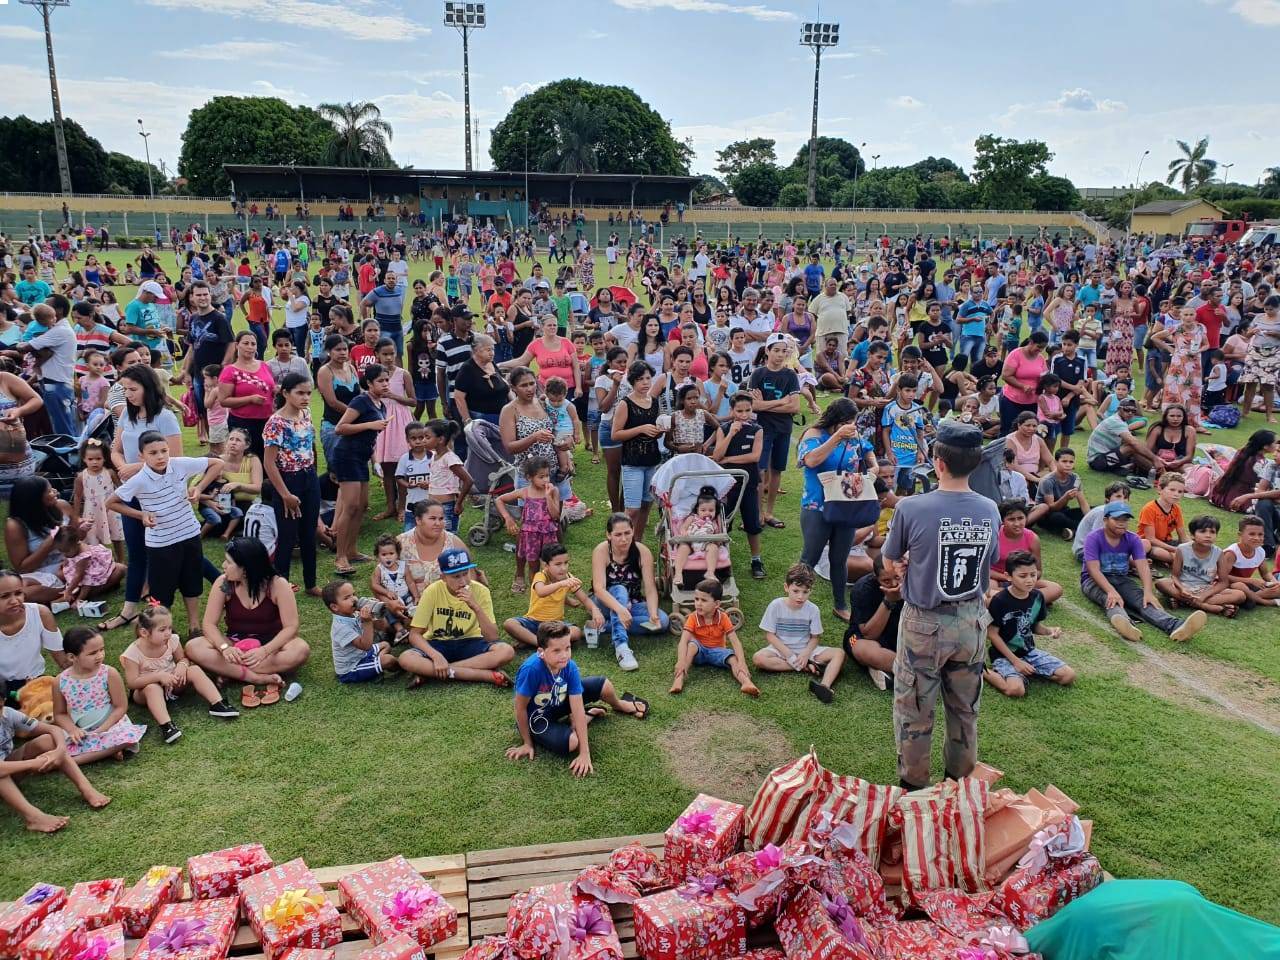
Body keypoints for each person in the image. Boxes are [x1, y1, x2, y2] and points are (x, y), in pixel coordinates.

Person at [882, 420, 999, 790]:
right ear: (976, 462)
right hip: (971, 621)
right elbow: (988, 560)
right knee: (965, 710)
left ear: (939, 462)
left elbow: (890, 560)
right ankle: (957, 789)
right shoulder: (989, 509)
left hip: (924, 622)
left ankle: (914, 790)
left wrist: (903, 565)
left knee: (914, 711)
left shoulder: (911, 507)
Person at [507, 620, 648, 777]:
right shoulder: (531, 670)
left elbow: (577, 706)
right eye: (556, 650)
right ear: (541, 651)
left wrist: (585, 753)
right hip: (537, 716)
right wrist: (527, 743)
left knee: (604, 685)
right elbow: (520, 708)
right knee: (572, 742)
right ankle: (586, 716)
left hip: (559, 701)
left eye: (567, 648)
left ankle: (618, 705)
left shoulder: (569, 665)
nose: (564, 655)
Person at [188, 537, 310, 703]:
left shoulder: (277, 585)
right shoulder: (224, 583)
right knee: (194, 646)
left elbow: (291, 627)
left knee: (300, 649)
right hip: (235, 643)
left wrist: (264, 651)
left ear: (245, 569)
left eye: (229, 562)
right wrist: (225, 648)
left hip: (271, 643)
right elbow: (209, 624)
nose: (223, 565)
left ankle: (229, 671)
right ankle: (255, 677)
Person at [796, 399, 879, 621]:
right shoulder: (814, 434)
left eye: (852, 422)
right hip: (817, 506)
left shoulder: (852, 434)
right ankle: (795, 602)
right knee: (809, 558)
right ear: (834, 419)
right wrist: (837, 437)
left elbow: (867, 449)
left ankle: (840, 604)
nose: (850, 426)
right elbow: (811, 461)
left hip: (846, 505)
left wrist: (874, 466)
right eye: (845, 422)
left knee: (840, 558)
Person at [1080, 500, 1207, 644]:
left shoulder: (1133, 539)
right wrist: (1111, 591)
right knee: (1111, 600)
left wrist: (1148, 591)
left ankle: (1175, 626)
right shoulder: (1094, 538)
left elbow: (1143, 567)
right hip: (1092, 580)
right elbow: (1093, 570)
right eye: (1116, 519)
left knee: (1144, 600)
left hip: (1121, 579)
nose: (1121, 523)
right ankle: (1126, 624)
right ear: (1105, 520)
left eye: (1125, 519)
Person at [120, 604, 239, 745]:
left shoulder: (172, 640)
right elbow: (132, 682)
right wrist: (158, 677)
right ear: (144, 633)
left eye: (169, 628)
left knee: (194, 670)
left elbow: (182, 658)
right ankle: (167, 726)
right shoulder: (133, 653)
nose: (168, 633)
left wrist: (182, 666)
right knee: (152, 688)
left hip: (173, 683)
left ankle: (217, 704)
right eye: (162, 630)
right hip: (145, 692)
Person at [400, 547, 515, 688]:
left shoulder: (481, 591)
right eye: (456, 577)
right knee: (406, 658)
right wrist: (436, 656)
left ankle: (435, 671)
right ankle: (485, 675)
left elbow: (492, 637)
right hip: (438, 643)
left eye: (466, 574)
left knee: (506, 651)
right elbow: (415, 635)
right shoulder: (432, 591)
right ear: (443, 577)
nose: (463, 581)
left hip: (471, 641)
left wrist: (475, 607)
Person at [1, 687, 112, 832]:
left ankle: (86, 788)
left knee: (47, 740)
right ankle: (33, 818)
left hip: (8, 764)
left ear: (3, 701)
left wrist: (59, 750)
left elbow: (53, 729)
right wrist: (33, 763)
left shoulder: (8, 714)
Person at [983, 551, 1075, 699]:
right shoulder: (1000, 600)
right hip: (1004, 655)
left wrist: (1049, 631)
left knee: (1068, 676)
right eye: (1023, 576)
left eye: (1033, 575)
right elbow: (992, 634)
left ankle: (1025, 671)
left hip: (1028, 651)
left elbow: (1034, 627)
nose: (1029, 580)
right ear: (1008, 576)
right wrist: (1016, 662)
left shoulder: (1037, 597)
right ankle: (981, 671)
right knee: (1016, 690)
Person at [262, 373, 321, 594]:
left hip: (309, 476)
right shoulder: (275, 423)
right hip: (287, 480)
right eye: (300, 393)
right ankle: (281, 587)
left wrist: (313, 473)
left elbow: (310, 447)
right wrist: (285, 494)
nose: (305, 397)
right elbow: (269, 463)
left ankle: (311, 583)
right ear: (286, 393)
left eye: (308, 393)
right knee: (287, 536)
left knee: (309, 533)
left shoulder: (306, 414)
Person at [752, 562, 845, 703]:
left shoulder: (813, 609)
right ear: (786, 587)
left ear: (810, 591)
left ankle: (824, 686)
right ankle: (805, 667)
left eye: (805, 592)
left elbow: (815, 638)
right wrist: (789, 655)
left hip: (806, 650)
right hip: (780, 650)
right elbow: (769, 635)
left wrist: (806, 653)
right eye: (796, 591)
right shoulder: (776, 605)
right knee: (758, 659)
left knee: (839, 653)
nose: (800, 596)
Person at [52, 626, 146, 765]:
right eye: (92, 653)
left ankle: (67, 762)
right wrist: (73, 730)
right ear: (72, 657)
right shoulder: (60, 681)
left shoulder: (109, 673)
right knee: (49, 741)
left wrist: (103, 728)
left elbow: (120, 706)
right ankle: (106, 751)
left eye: (102, 649)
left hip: (111, 726)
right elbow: (59, 714)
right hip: (82, 730)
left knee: (125, 738)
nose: (100, 655)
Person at [331, 363, 391, 577]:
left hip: (362, 457)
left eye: (387, 380)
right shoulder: (360, 401)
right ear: (369, 383)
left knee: (362, 505)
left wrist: (375, 462)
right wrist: (369, 425)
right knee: (350, 506)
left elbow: (371, 439)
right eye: (380, 381)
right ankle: (340, 556)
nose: (385, 384)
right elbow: (340, 428)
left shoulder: (381, 405)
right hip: (347, 456)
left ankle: (352, 550)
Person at [590, 513, 669, 672]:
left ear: (633, 531)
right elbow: (599, 589)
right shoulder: (602, 551)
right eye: (618, 534)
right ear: (608, 535)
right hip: (605, 602)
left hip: (633, 603)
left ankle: (604, 626)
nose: (624, 539)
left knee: (663, 621)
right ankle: (621, 647)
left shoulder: (642, 552)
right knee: (620, 589)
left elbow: (650, 588)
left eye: (627, 533)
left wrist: (653, 613)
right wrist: (620, 609)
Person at [670, 578, 759, 697]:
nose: (698, 603)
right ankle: (679, 679)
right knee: (691, 645)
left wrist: (742, 662)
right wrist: (680, 661)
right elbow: (683, 642)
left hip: (718, 652)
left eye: (704, 600)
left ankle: (746, 682)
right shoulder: (693, 617)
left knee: (733, 658)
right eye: (696, 599)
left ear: (716, 604)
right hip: (699, 652)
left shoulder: (723, 618)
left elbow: (735, 642)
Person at [503, 542, 603, 648]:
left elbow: (585, 599)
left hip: (555, 625)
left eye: (566, 563)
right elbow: (541, 592)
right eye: (558, 564)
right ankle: (541, 643)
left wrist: (595, 610)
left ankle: (537, 641)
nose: (563, 568)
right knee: (509, 624)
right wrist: (561, 584)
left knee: (576, 632)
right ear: (546, 565)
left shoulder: (568, 577)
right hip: (534, 622)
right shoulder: (541, 576)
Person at [750, 333, 801, 529]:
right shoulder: (758, 374)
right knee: (759, 470)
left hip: (783, 428)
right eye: (776, 350)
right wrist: (781, 401)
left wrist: (765, 404)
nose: (780, 355)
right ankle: (758, 513)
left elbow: (794, 407)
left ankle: (769, 512)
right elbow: (754, 406)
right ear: (767, 351)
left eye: (784, 351)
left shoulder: (790, 375)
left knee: (777, 470)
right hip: (762, 429)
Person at [1155, 515, 1248, 617]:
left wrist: (1204, 595)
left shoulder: (1218, 553)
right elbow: (1175, 576)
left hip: (1205, 588)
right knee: (1161, 583)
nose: (1208, 535)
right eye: (1203, 531)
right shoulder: (1182, 549)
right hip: (1183, 587)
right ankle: (1208, 607)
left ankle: (1183, 601)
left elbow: (1223, 582)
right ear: (1192, 535)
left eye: (1212, 532)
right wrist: (1182, 589)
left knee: (1240, 595)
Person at [372, 338, 416, 522]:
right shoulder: (374, 375)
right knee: (386, 467)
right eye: (385, 354)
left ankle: (402, 507)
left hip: (400, 421)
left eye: (392, 354)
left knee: (401, 465)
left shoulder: (403, 374)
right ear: (377, 355)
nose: (389, 358)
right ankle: (390, 506)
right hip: (382, 420)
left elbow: (413, 401)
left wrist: (394, 396)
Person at [324, 580, 399, 685]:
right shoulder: (340, 627)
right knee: (388, 660)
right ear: (334, 607)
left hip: (362, 654)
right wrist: (367, 622)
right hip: (351, 668)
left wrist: (375, 609)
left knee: (385, 645)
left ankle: (376, 666)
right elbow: (366, 646)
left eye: (353, 594)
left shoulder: (353, 613)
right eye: (347, 598)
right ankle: (400, 667)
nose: (354, 599)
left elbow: (382, 627)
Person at [216, 331, 276, 460]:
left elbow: (270, 388)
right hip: (243, 422)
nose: (250, 347)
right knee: (247, 459)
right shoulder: (230, 371)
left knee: (266, 457)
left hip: (267, 420)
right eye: (246, 343)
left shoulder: (264, 365)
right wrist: (250, 399)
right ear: (237, 345)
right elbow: (223, 400)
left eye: (253, 344)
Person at [1086, 397, 1163, 476]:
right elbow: (1133, 443)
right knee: (1132, 447)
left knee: (1137, 447)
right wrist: (1155, 459)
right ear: (1119, 409)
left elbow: (1134, 443)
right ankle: (1160, 474)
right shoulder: (1115, 421)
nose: (1130, 413)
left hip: (1106, 457)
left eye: (1133, 411)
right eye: (1126, 409)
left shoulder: (1121, 421)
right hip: (1097, 462)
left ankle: (1154, 470)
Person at [881, 373, 929, 493]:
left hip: (912, 456)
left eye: (914, 391)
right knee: (890, 487)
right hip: (895, 456)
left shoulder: (917, 409)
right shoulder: (890, 408)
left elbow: (920, 432)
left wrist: (920, 452)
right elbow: (886, 432)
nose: (911, 394)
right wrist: (889, 453)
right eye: (907, 390)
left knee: (906, 488)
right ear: (899, 390)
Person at [1027, 448, 1089, 539]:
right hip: (1046, 515)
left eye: (1071, 462)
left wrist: (1090, 516)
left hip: (1064, 510)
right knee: (1057, 517)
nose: (1068, 465)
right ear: (1056, 462)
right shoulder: (1048, 481)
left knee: (1094, 510)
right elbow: (1051, 508)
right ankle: (1084, 529)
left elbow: (1083, 503)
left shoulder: (1075, 478)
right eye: (1064, 461)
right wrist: (1065, 497)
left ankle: (1074, 529)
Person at [0, 363, 43, 496]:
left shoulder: (4, 378)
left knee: (24, 503)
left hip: (18, 460)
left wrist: (18, 411)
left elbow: (36, 399)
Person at [1219, 515, 1280, 606]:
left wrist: (1275, 583)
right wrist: (1250, 581)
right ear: (1240, 535)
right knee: (1239, 586)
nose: (1257, 538)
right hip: (1228, 585)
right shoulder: (1232, 553)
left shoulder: (1260, 551)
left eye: (1260, 534)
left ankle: (1250, 598)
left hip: (1246, 585)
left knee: (1278, 588)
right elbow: (1221, 577)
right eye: (1252, 534)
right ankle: (1262, 601)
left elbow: (1265, 574)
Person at [451, 333, 508, 426]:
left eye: (493, 349)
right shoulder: (467, 369)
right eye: (488, 350)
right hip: (481, 418)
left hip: (502, 415)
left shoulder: (491, 363)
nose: (492, 353)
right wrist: (467, 420)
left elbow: (505, 386)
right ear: (477, 350)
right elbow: (459, 397)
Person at [999, 330, 1049, 434]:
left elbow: (1044, 376)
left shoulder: (1040, 358)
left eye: (1043, 348)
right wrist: (1022, 386)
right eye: (1039, 347)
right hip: (1012, 400)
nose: (1040, 350)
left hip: (1032, 402)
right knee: (1008, 431)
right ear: (1031, 342)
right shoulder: (1015, 354)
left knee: (1028, 432)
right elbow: (1006, 376)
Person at [1137, 471, 1189, 566]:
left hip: (1167, 542)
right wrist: (1174, 549)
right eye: (1172, 490)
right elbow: (1151, 539)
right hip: (1150, 544)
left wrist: (1193, 547)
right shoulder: (1149, 509)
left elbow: (1183, 537)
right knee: (1158, 553)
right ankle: (1179, 560)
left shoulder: (1176, 509)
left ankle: (1177, 559)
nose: (1176, 494)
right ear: (1160, 489)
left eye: (1180, 492)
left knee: (1197, 545)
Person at [362, 270, 406, 355]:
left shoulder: (399, 290)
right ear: (384, 280)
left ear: (396, 280)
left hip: (398, 329)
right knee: (383, 354)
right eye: (388, 278)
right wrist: (366, 322)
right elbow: (363, 304)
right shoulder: (377, 292)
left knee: (398, 354)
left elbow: (400, 305)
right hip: (383, 330)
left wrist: (399, 315)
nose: (391, 280)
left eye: (393, 278)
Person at [1146, 404, 1197, 473]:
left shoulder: (1189, 430)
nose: (1175, 419)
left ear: (1184, 417)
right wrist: (1157, 459)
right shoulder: (1158, 428)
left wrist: (1178, 462)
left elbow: (1189, 456)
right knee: (1139, 456)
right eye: (1172, 416)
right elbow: (1147, 451)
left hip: (1180, 463)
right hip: (1157, 461)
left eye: (1179, 416)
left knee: (1190, 470)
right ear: (1166, 416)